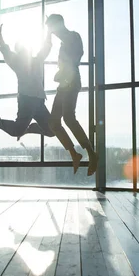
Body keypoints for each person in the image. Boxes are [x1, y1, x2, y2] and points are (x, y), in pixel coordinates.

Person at [0, 21, 55, 140]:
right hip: (27, 100)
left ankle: (30, 128)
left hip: (39, 100)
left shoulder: (36, 60)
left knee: (52, 131)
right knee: (17, 131)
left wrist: (49, 31)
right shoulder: (17, 62)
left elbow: (47, 47)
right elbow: (5, 49)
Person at [45, 14, 98, 176]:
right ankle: (75, 154)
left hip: (72, 81)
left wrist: (63, 72)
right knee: (54, 123)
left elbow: (76, 58)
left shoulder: (73, 36)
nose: (52, 33)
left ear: (59, 25)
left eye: (52, 29)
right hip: (63, 85)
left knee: (68, 118)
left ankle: (92, 153)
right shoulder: (63, 43)